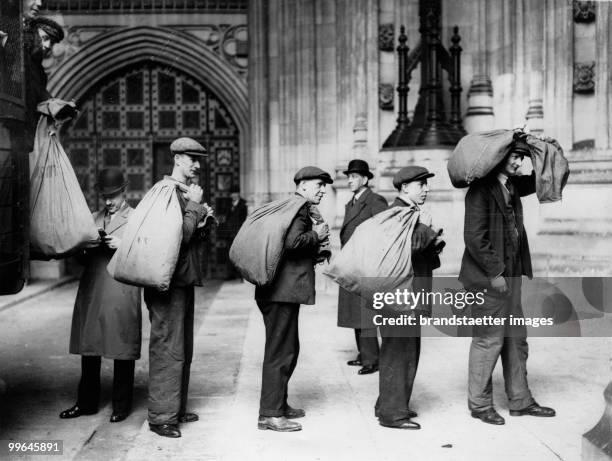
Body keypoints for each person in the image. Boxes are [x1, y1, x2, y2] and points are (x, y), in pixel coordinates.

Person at [460, 139, 556, 425]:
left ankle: (520, 400)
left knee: (516, 339)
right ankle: (479, 405)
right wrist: (495, 274)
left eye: (521, 158)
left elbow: (546, 177)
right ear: (499, 155)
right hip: (490, 280)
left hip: (511, 277)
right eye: (514, 156)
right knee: (489, 340)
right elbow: (475, 238)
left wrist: (543, 146)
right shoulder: (480, 189)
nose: (518, 162)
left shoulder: (512, 185)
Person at [60, 169, 142, 423]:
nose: (108, 201)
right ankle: (86, 403)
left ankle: (121, 405)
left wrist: (124, 245)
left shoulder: (137, 219)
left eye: (113, 196)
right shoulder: (93, 219)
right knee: (90, 347)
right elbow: (78, 259)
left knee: (121, 347)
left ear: (124, 191)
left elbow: (148, 254)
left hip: (121, 287)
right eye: (104, 196)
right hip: (93, 288)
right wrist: (85, 247)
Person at [145, 137, 214, 438]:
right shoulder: (167, 192)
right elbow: (176, 238)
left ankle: (175, 408)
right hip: (167, 284)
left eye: (198, 159)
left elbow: (189, 237)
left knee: (182, 346)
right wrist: (196, 207)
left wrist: (203, 220)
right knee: (167, 347)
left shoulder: (182, 193)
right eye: (192, 159)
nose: (197, 165)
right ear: (177, 159)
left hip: (181, 280)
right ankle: (161, 417)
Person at [255, 166, 332, 432]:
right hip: (280, 293)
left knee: (288, 348)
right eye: (319, 185)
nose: (323, 190)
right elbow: (292, 243)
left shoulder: (293, 206)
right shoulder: (299, 208)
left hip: (279, 291)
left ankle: (279, 404)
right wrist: (317, 236)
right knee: (280, 352)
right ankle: (270, 414)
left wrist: (317, 252)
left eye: (325, 186)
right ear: (302, 185)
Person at [375, 166, 444, 430]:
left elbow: (417, 249)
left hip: (408, 294)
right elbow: (409, 247)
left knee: (405, 349)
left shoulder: (407, 212)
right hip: (398, 297)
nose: (426, 189)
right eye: (421, 184)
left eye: (426, 184)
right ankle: (392, 414)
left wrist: (432, 237)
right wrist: (426, 228)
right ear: (405, 187)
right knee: (399, 350)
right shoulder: (396, 213)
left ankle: (388, 404)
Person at [337, 159, 387, 375]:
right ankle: (364, 354)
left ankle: (372, 359)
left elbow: (384, 233)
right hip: (352, 266)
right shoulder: (352, 202)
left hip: (367, 267)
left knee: (365, 314)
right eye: (348, 177)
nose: (350, 180)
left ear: (365, 179)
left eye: (354, 177)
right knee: (356, 314)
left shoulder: (375, 201)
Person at [23, 15, 64, 149]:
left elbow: (40, 98)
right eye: (45, 38)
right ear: (32, 35)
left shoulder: (40, 72)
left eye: (51, 43)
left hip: (27, 136)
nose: (47, 46)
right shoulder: (19, 58)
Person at [219, 186, 247, 280]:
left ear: (238, 193)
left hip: (238, 233)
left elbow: (244, 219)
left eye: (235, 193)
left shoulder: (243, 204)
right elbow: (225, 218)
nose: (233, 195)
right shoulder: (228, 204)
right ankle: (230, 274)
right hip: (229, 233)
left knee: (239, 254)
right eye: (231, 194)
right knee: (229, 254)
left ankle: (240, 275)